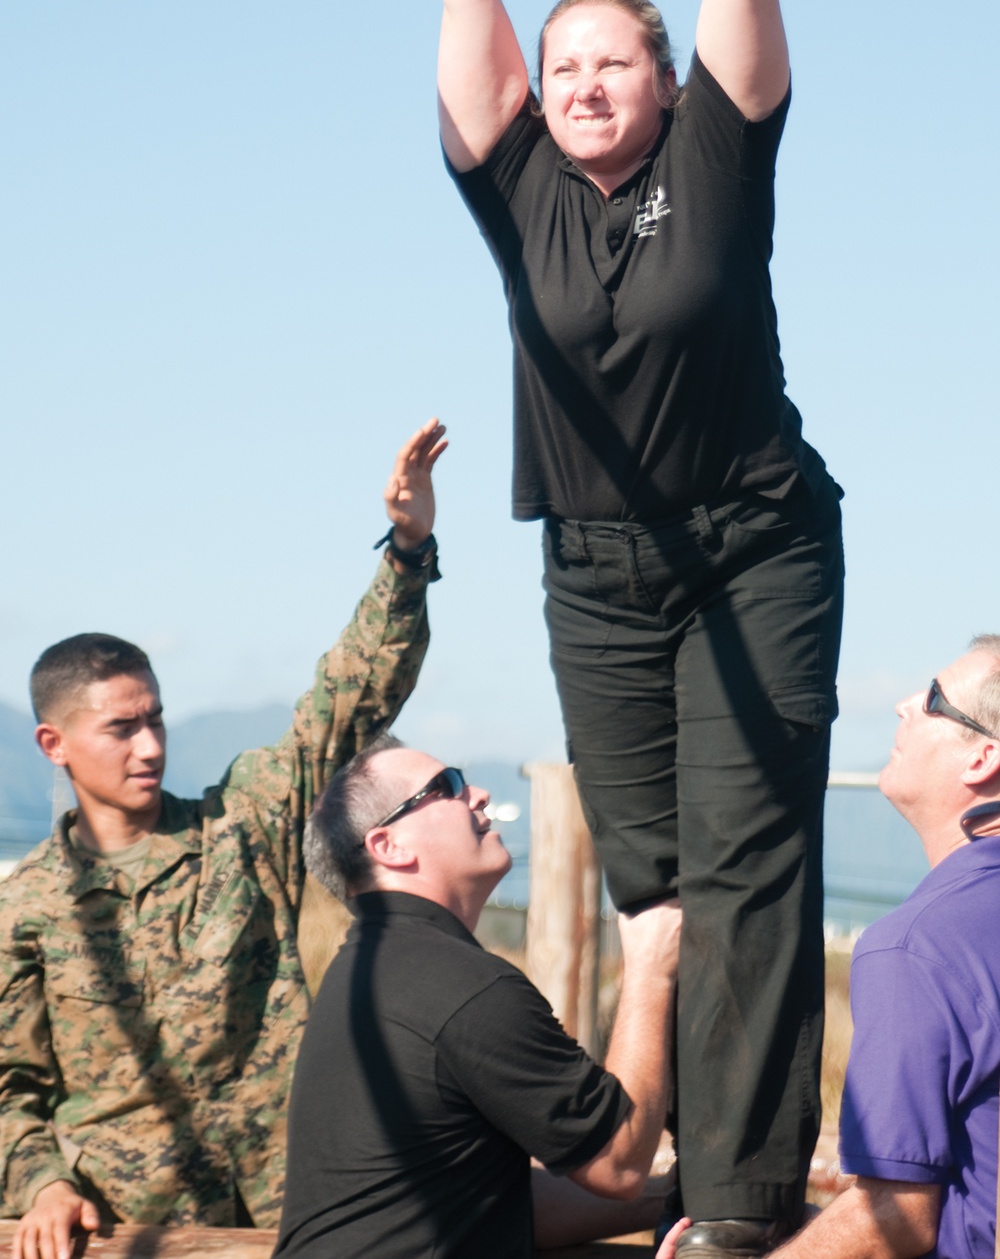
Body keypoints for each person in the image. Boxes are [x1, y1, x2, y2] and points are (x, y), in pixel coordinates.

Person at [390, 0, 844, 1256]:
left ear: (666, 86)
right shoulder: (512, 184)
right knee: (652, 881)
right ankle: (632, 1166)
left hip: (755, 543)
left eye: (613, 62)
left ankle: (736, 1208)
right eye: (565, 63)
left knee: (749, 866)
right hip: (595, 564)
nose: (582, 81)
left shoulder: (722, 150)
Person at [0, 420, 446, 1259]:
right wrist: (43, 1185)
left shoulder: (241, 821)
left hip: (300, 1207)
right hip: (138, 1232)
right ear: (53, 745)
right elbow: (8, 1090)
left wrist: (407, 549)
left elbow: (346, 700)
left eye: (156, 719)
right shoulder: (25, 908)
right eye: (122, 728)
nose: (150, 746)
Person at [275, 733, 690, 1258]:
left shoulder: (366, 972)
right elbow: (619, 1161)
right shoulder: (460, 987)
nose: (480, 794)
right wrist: (652, 964)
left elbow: (490, 1199)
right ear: (388, 846)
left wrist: (680, 1197)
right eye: (448, 787)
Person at [665, 636, 1000, 1259]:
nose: (904, 705)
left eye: (934, 700)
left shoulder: (917, 947)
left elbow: (894, 1220)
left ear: (982, 758)